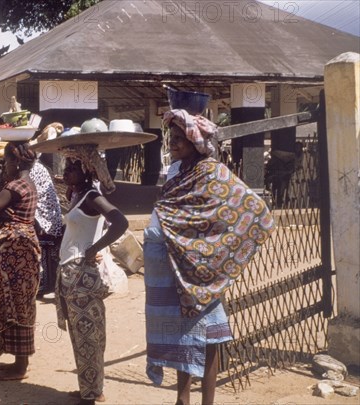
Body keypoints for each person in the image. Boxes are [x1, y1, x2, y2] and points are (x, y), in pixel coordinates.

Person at [144, 109, 275, 405]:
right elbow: (178, 214)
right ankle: (182, 399)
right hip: (170, 263)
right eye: (172, 138)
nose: (173, 143)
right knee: (180, 333)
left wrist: (216, 252)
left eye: (180, 139)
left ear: (196, 142)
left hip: (203, 269)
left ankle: (208, 402)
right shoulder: (177, 172)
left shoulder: (212, 171)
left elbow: (254, 210)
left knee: (211, 334)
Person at [54, 145, 128, 405]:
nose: (67, 172)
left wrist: (95, 248)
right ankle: (90, 387)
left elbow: (120, 222)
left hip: (82, 276)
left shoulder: (92, 197)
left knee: (89, 335)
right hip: (71, 274)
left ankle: (92, 393)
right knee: (80, 334)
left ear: (86, 171)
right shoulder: (79, 196)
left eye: (73, 168)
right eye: (66, 167)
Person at [0, 141, 41, 381]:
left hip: (14, 250)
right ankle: (19, 359)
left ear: (15, 162)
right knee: (21, 302)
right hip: (23, 248)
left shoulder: (15, 186)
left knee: (15, 303)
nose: (4, 166)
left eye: (6, 161)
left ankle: (21, 366)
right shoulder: (29, 184)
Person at [30, 158, 63, 297]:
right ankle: (48, 284)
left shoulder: (33, 170)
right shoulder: (37, 168)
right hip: (46, 216)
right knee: (47, 253)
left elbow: (33, 197)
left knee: (46, 253)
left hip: (44, 216)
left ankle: (47, 285)